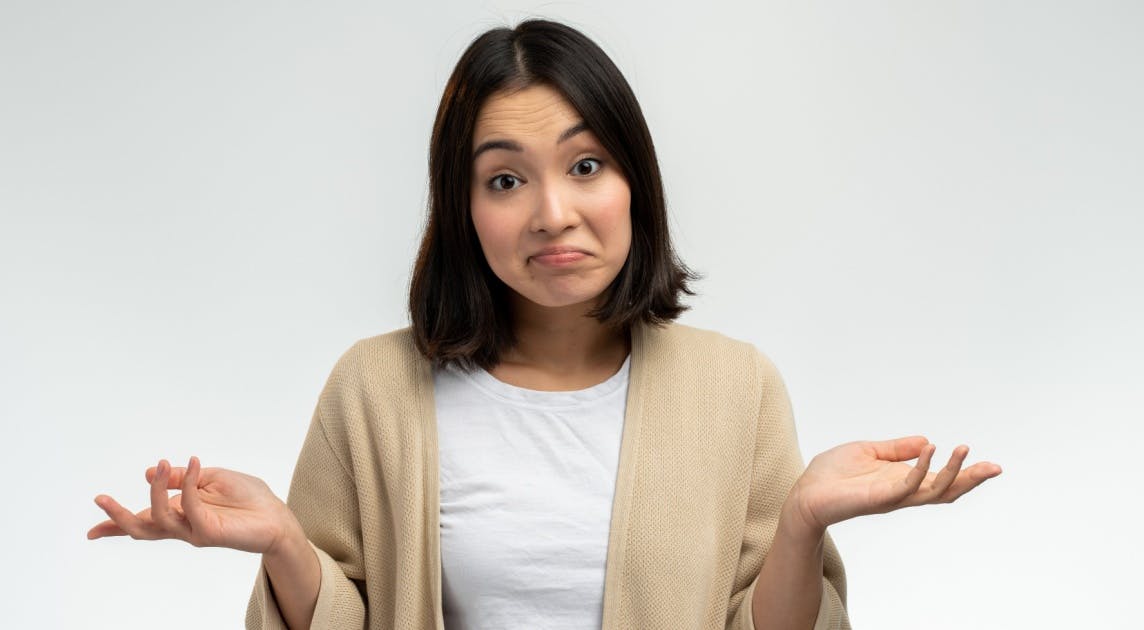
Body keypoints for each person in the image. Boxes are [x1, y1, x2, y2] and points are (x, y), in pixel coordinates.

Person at [87, 18, 1002, 630]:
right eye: (506, 178)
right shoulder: (374, 389)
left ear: (635, 182)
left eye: (587, 165)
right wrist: (285, 540)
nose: (552, 213)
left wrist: (802, 520)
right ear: (463, 206)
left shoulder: (738, 387)